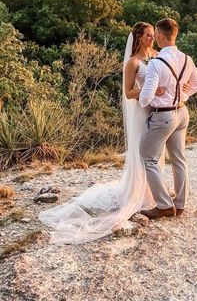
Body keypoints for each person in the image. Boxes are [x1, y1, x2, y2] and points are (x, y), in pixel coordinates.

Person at [38, 22, 167, 244]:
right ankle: (140, 193)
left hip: (157, 110)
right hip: (141, 110)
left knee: (156, 152)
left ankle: (156, 190)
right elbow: (128, 93)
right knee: (141, 151)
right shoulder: (132, 62)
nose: (151, 39)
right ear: (137, 37)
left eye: (153, 35)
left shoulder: (156, 56)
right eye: (147, 35)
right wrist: (151, 90)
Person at [139, 18, 197, 219]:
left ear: (160, 36)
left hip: (163, 115)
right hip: (182, 113)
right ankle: (180, 204)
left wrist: (148, 96)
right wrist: (182, 94)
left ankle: (165, 205)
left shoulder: (156, 63)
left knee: (148, 159)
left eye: (156, 34)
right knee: (179, 159)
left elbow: (146, 97)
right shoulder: (187, 59)